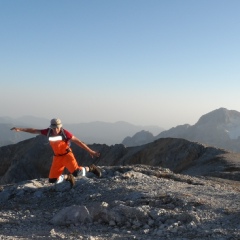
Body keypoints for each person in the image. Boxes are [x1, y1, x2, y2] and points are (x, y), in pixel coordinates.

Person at [11, 118, 101, 187]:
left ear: (60, 126)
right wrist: (20, 129)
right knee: (53, 180)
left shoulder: (65, 133)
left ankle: (91, 168)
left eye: (57, 128)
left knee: (77, 173)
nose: (55, 130)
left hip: (67, 155)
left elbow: (79, 142)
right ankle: (68, 177)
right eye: (53, 128)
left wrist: (91, 151)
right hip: (57, 158)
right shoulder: (48, 132)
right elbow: (34, 130)